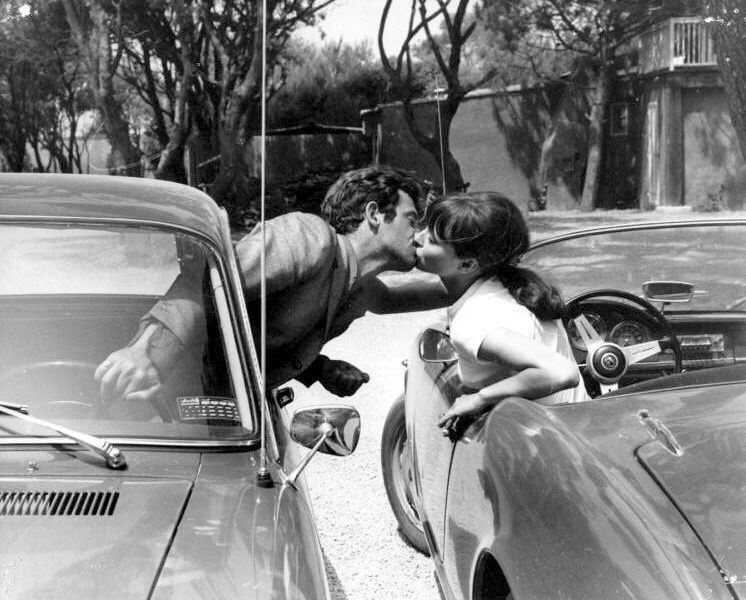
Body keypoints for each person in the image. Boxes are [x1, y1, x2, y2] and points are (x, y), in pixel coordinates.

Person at [95, 165, 449, 404]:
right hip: (170, 398)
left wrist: (319, 368)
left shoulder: (357, 288)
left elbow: (422, 294)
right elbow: (209, 281)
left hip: (236, 411)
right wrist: (143, 351)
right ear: (374, 215)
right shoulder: (310, 238)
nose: (418, 236)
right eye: (411, 220)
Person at [412, 191, 587, 434]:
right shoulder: (499, 283)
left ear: (467, 264)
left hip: (549, 442)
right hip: (574, 427)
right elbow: (384, 300)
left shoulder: (474, 321)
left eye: (431, 240)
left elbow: (561, 372)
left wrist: (480, 399)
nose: (416, 238)